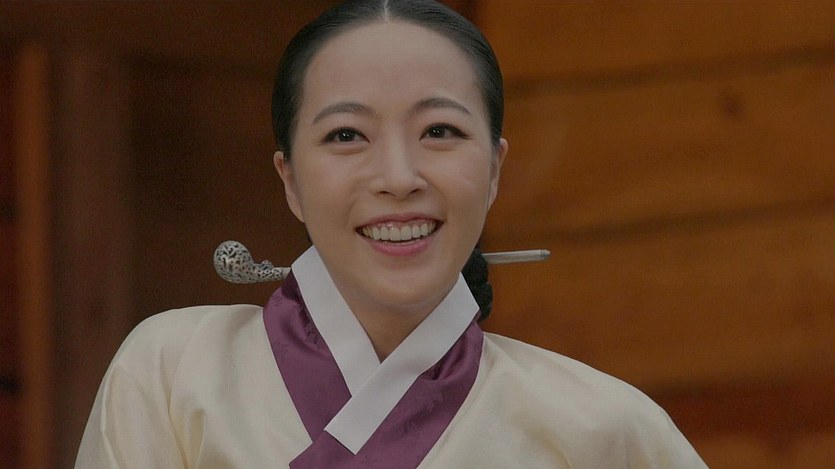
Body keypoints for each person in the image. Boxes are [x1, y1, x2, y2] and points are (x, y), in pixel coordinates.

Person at [76, 1, 707, 467]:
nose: (399, 178)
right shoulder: (175, 372)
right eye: (346, 135)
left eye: (440, 131)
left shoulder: (604, 428)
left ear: (494, 170)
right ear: (290, 179)